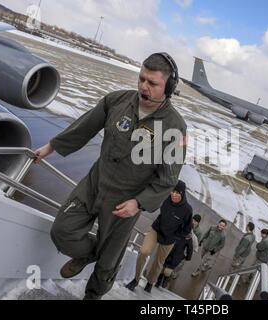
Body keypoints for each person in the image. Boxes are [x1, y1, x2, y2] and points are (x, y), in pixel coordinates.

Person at [35, 52, 187, 300]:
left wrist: (138, 203)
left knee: (108, 261)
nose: (143, 87)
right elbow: (84, 126)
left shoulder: (174, 127)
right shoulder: (117, 101)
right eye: (141, 79)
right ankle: (87, 253)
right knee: (62, 230)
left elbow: (168, 178)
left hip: (126, 200)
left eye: (152, 83)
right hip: (95, 183)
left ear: (168, 87)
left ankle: (92, 296)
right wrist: (50, 147)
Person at [126, 180, 192, 293]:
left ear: (182, 193)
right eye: (173, 191)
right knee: (144, 252)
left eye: (177, 192)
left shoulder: (187, 209)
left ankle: (150, 283)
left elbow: (187, 229)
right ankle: (136, 279)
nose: (174, 194)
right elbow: (157, 208)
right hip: (156, 229)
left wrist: (176, 236)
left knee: (158, 262)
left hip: (170, 238)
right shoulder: (166, 199)